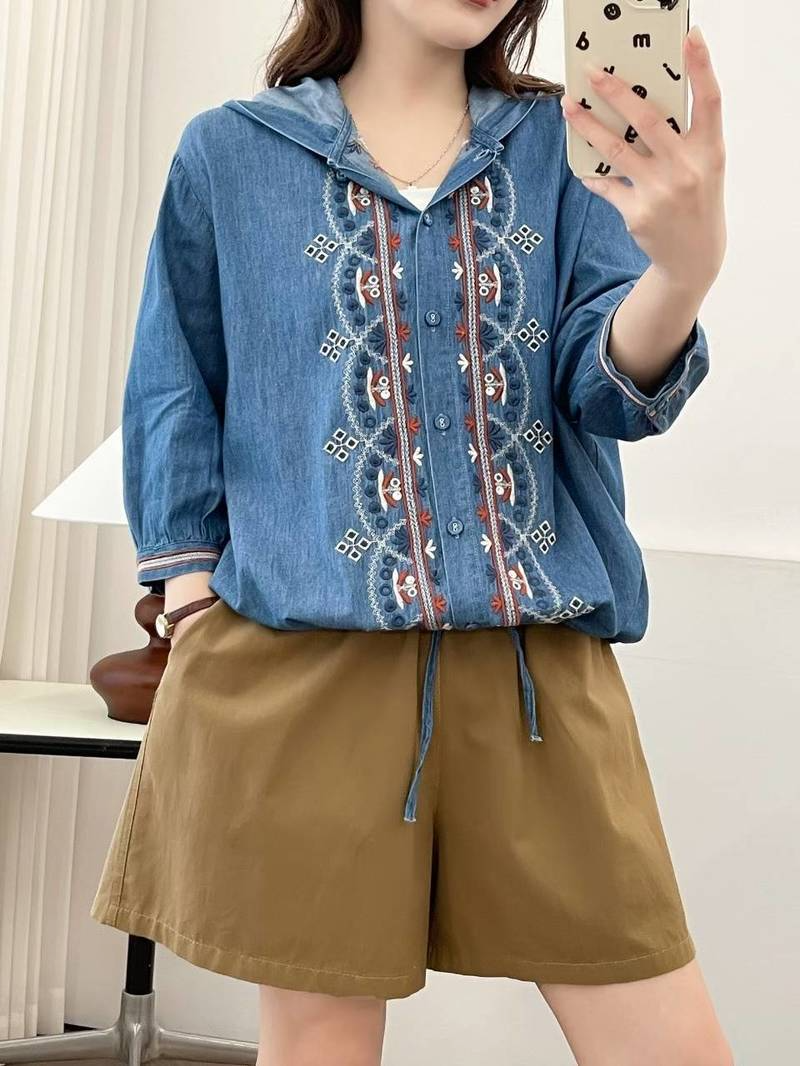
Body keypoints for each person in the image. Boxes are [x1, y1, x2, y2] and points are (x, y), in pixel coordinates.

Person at [91, 1, 732, 1063]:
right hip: (302, 674)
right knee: (320, 1047)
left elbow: (606, 389)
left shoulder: (564, 148)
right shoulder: (230, 154)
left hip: (536, 676)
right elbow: (176, 387)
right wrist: (191, 600)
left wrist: (682, 274)